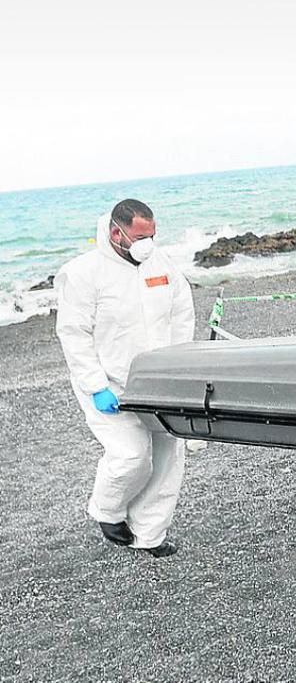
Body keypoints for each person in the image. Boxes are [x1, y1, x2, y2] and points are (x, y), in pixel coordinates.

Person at [54, 199, 195, 558]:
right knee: (132, 455)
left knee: (167, 455)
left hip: (159, 380)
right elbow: (74, 334)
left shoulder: (159, 264)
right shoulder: (84, 273)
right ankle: (108, 510)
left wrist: (179, 367)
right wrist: (96, 385)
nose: (148, 243)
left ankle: (150, 534)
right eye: (139, 236)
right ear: (117, 232)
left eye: (153, 235)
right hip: (108, 384)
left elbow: (181, 313)